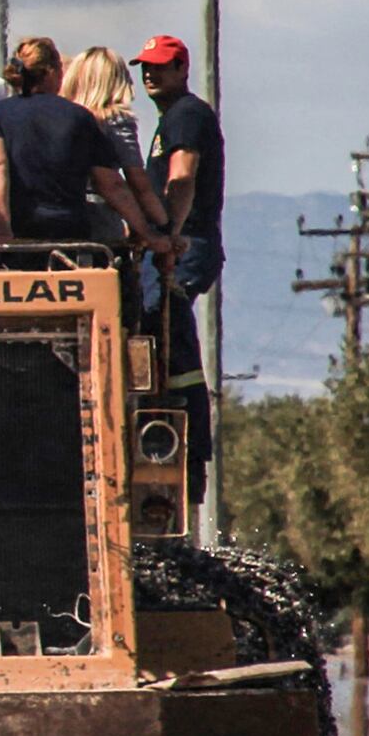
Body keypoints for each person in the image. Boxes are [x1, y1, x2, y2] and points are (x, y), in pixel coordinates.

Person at [137, 32, 226, 499]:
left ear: (182, 70)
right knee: (158, 334)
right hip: (177, 244)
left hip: (184, 245)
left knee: (166, 330)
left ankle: (188, 452)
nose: (150, 73)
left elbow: (183, 175)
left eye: (160, 66)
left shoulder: (187, 115)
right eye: (145, 66)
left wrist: (169, 234)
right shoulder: (171, 118)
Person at [0, 37, 163, 249]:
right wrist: (146, 232)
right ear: (52, 71)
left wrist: (2, 230)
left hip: (20, 233)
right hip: (69, 232)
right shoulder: (78, 117)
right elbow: (110, 184)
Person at [61, 47, 146, 240]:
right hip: (101, 216)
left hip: (63, 213)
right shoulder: (116, 119)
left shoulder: (62, 117)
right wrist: (153, 227)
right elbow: (136, 178)